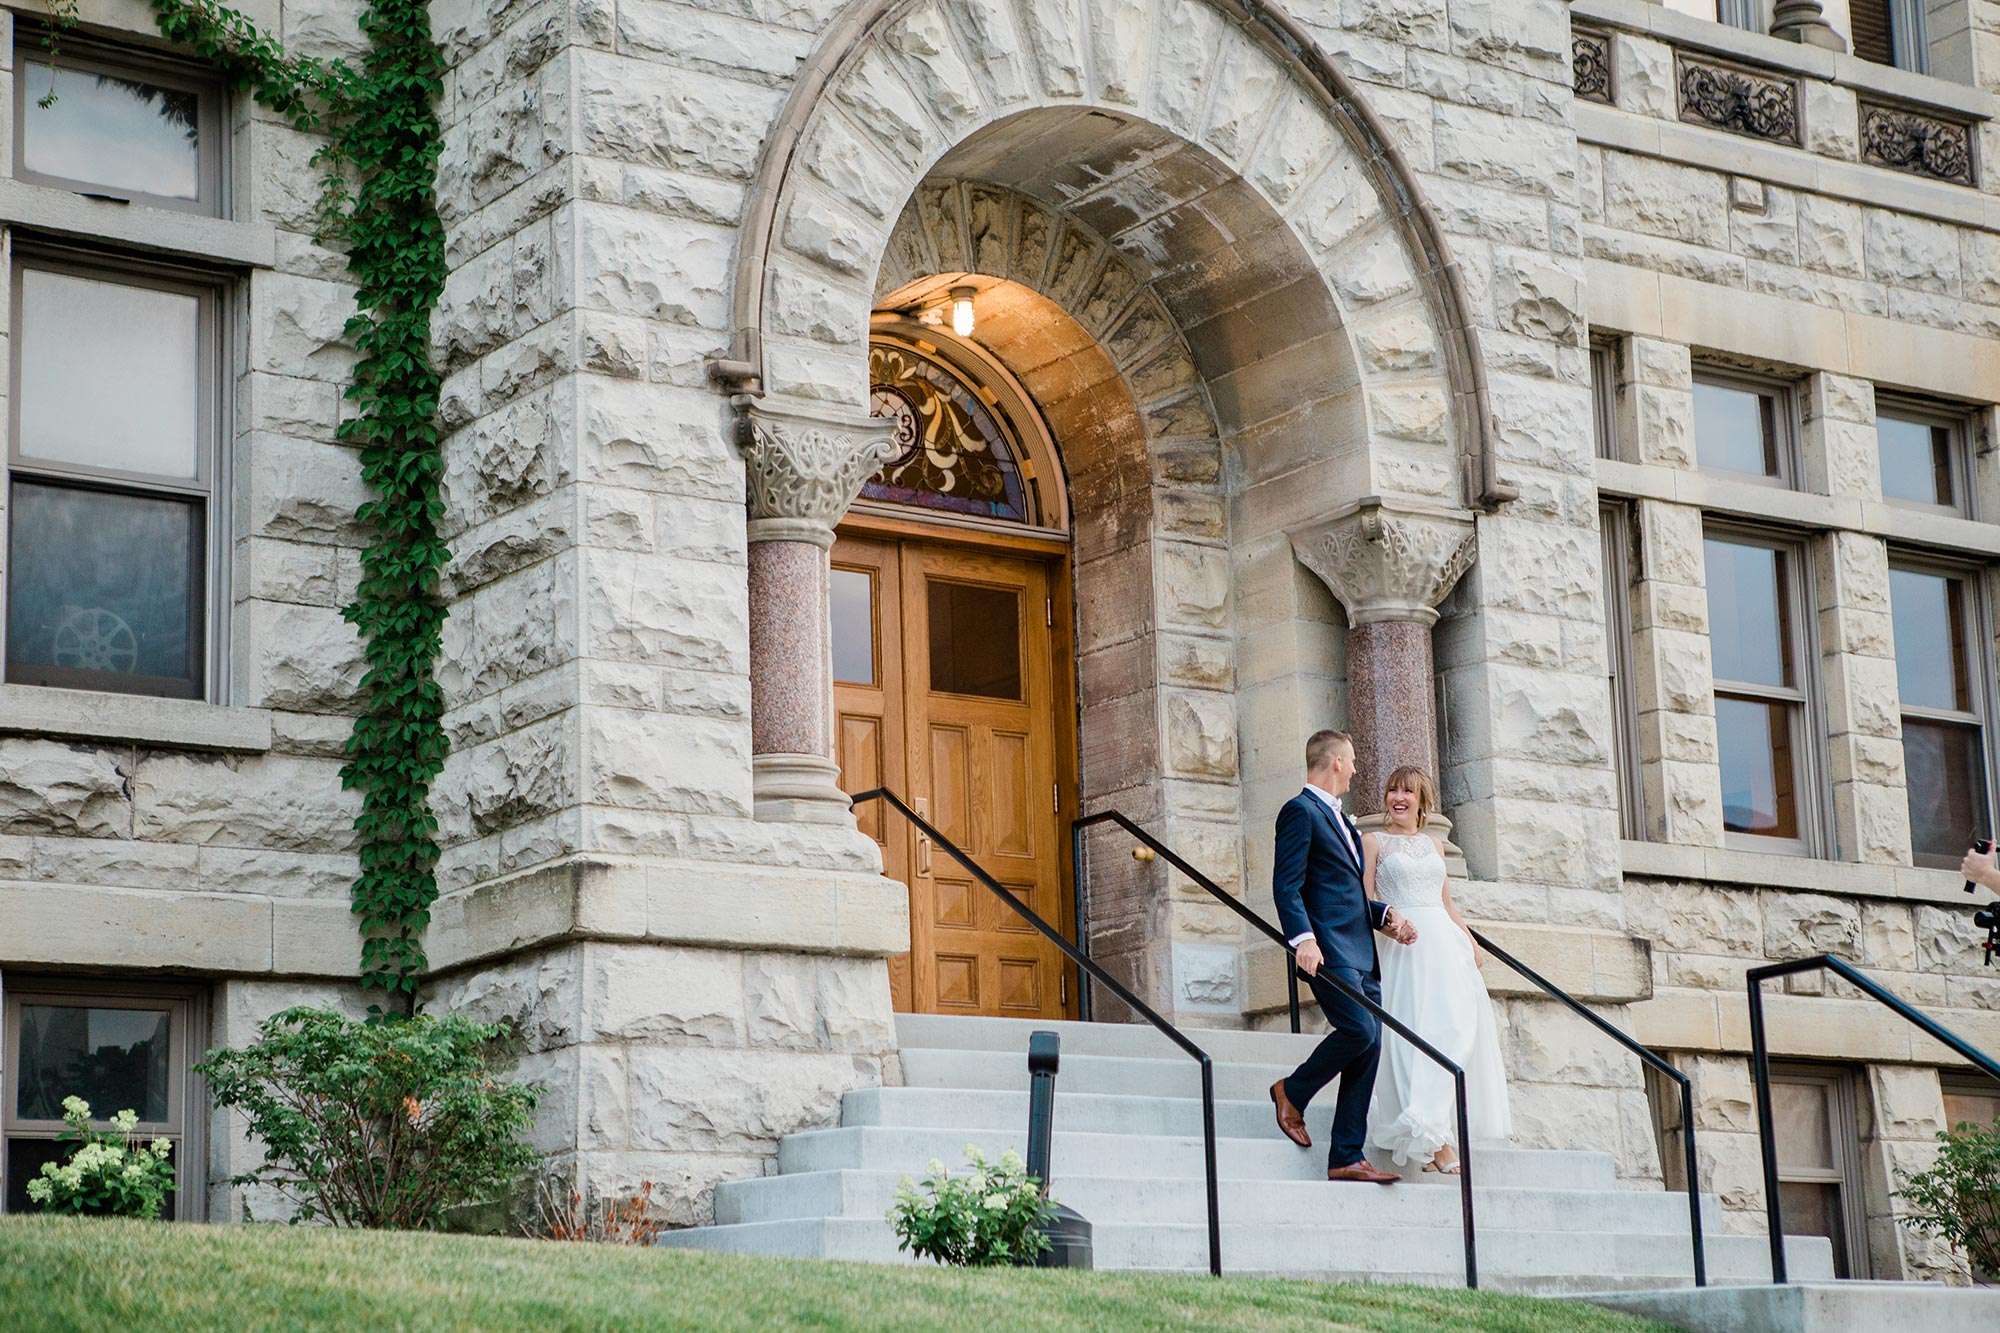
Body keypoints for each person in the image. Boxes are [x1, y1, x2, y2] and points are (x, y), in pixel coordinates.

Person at [1268, 730, 1418, 1185]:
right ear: (1334, 762)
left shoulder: (1344, 823)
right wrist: (1303, 941)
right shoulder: (1300, 811)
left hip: (1360, 951)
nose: (1355, 769)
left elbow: (1341, 893)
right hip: (1328, 950)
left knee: (1370, 1043)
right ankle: (1291, 1091)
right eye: (1351, 761)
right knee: (1358, 1029)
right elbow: (1287, 885)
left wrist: (1384, 914)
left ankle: (1346, 1156)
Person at [1363, 765, 1511, 1173]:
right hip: (1403, 949)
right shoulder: (1373, 842)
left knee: (1453, 1034)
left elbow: (1446, 904)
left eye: (1408, 792)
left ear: (1421, 800)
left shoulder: (1433, 846)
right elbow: (1362, 901)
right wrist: (1389, 927)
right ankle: (1435, 1142)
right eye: (1393, 789)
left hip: (1445, 947)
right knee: (1415, 1035)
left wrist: (1469, 939)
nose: (1398, 797)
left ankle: (1435, 1132)